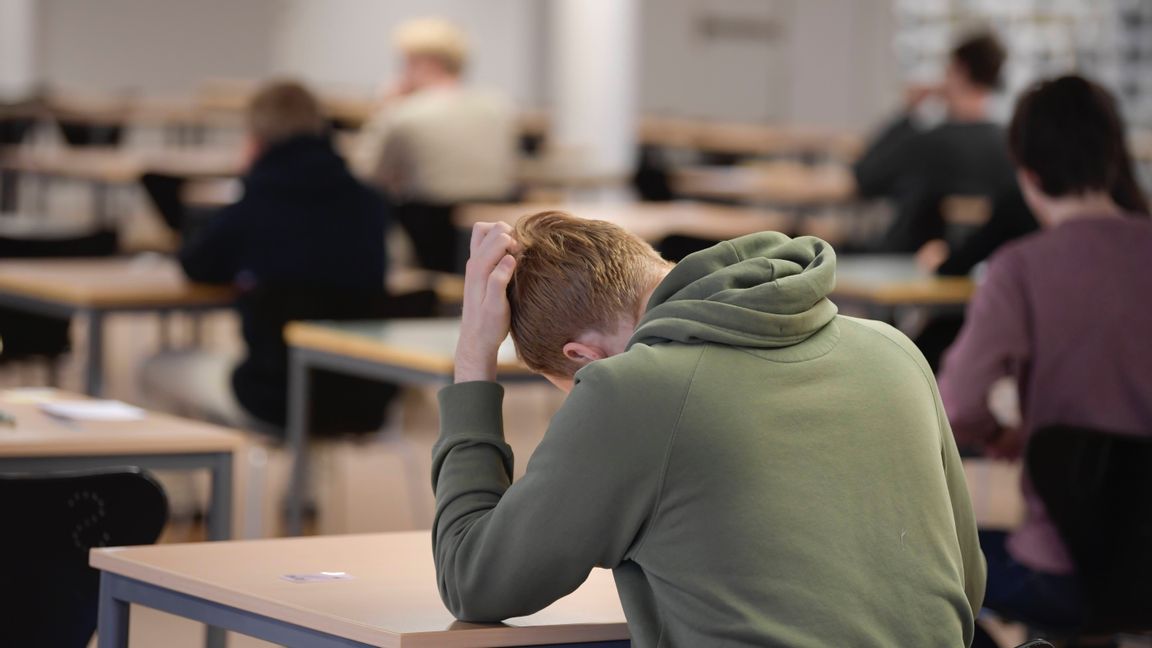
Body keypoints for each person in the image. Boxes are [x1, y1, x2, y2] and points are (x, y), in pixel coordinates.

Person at [431, 211, 985, 646]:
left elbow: (473, 579)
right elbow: (967, 581)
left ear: (584, 358)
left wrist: (473, 358)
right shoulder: (894, 349)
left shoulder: (627, 391)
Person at [938, 75, 1152, 644]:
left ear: (1027, 172)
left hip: (1060, 569)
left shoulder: (1021, 269)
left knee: (934, 561)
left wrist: (1004, 431)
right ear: (1114, 156)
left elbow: (954, 408)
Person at [142, 80, 395, 435]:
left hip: (272, 394)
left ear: (256, 139)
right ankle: (299, 488)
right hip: (365, 394)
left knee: (155, 366)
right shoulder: (369, 203)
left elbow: (198, 264)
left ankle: (197, 489)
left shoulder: (258, 202)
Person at [354, 17, 518, 273]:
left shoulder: (403, 113)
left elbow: (367, 174)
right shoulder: (499, 106)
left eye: (406, 62)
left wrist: (383, 108)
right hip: (492, 227)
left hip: (429, 234)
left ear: (425, 62)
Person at [855, 31, 1032, 259]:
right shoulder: (1009, 143)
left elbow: (866, 175)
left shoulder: (933, 142)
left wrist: (908, 110)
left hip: (909, 262)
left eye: (947, 71)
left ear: (960, 72)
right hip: (977, 265)